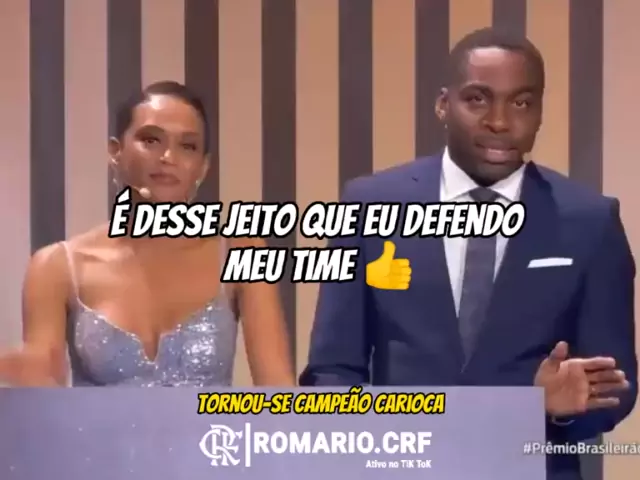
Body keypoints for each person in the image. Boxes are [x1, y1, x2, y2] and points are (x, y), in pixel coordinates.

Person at [300, 28, 637, 479]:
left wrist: (558, 412)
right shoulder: (369, 204)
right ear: (443, 104)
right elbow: (332, 369)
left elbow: (615, 386)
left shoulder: (590, 221)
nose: (500, 121)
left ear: (539, 112)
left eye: (521, 103)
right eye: (478, 99)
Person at [0, 81, 294, 387]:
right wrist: (19, 370)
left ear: (203, 167)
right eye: (151, 140)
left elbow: (278, 390)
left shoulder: (241, 250)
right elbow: (42, 378)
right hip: (95, 423)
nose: (168, 156)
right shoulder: (56, 267)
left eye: (188, 146)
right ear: (115, 152)